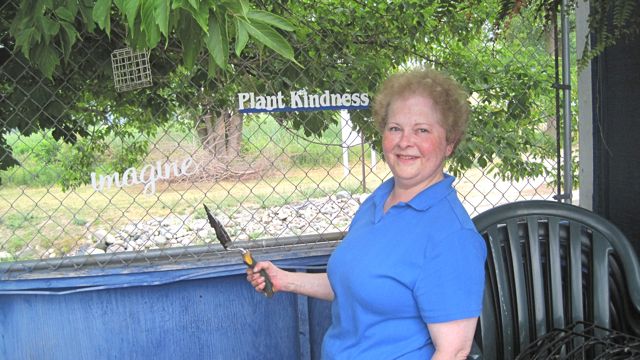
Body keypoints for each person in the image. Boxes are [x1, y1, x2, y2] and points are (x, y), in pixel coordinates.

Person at [247, 68, 487, 359]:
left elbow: (453, 351)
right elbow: (356, 283)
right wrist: (284, 279)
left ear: (450, 142)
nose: (404, 141)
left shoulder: (452, 237)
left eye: (422, 130)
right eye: (395, 128)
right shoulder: (379, 201)